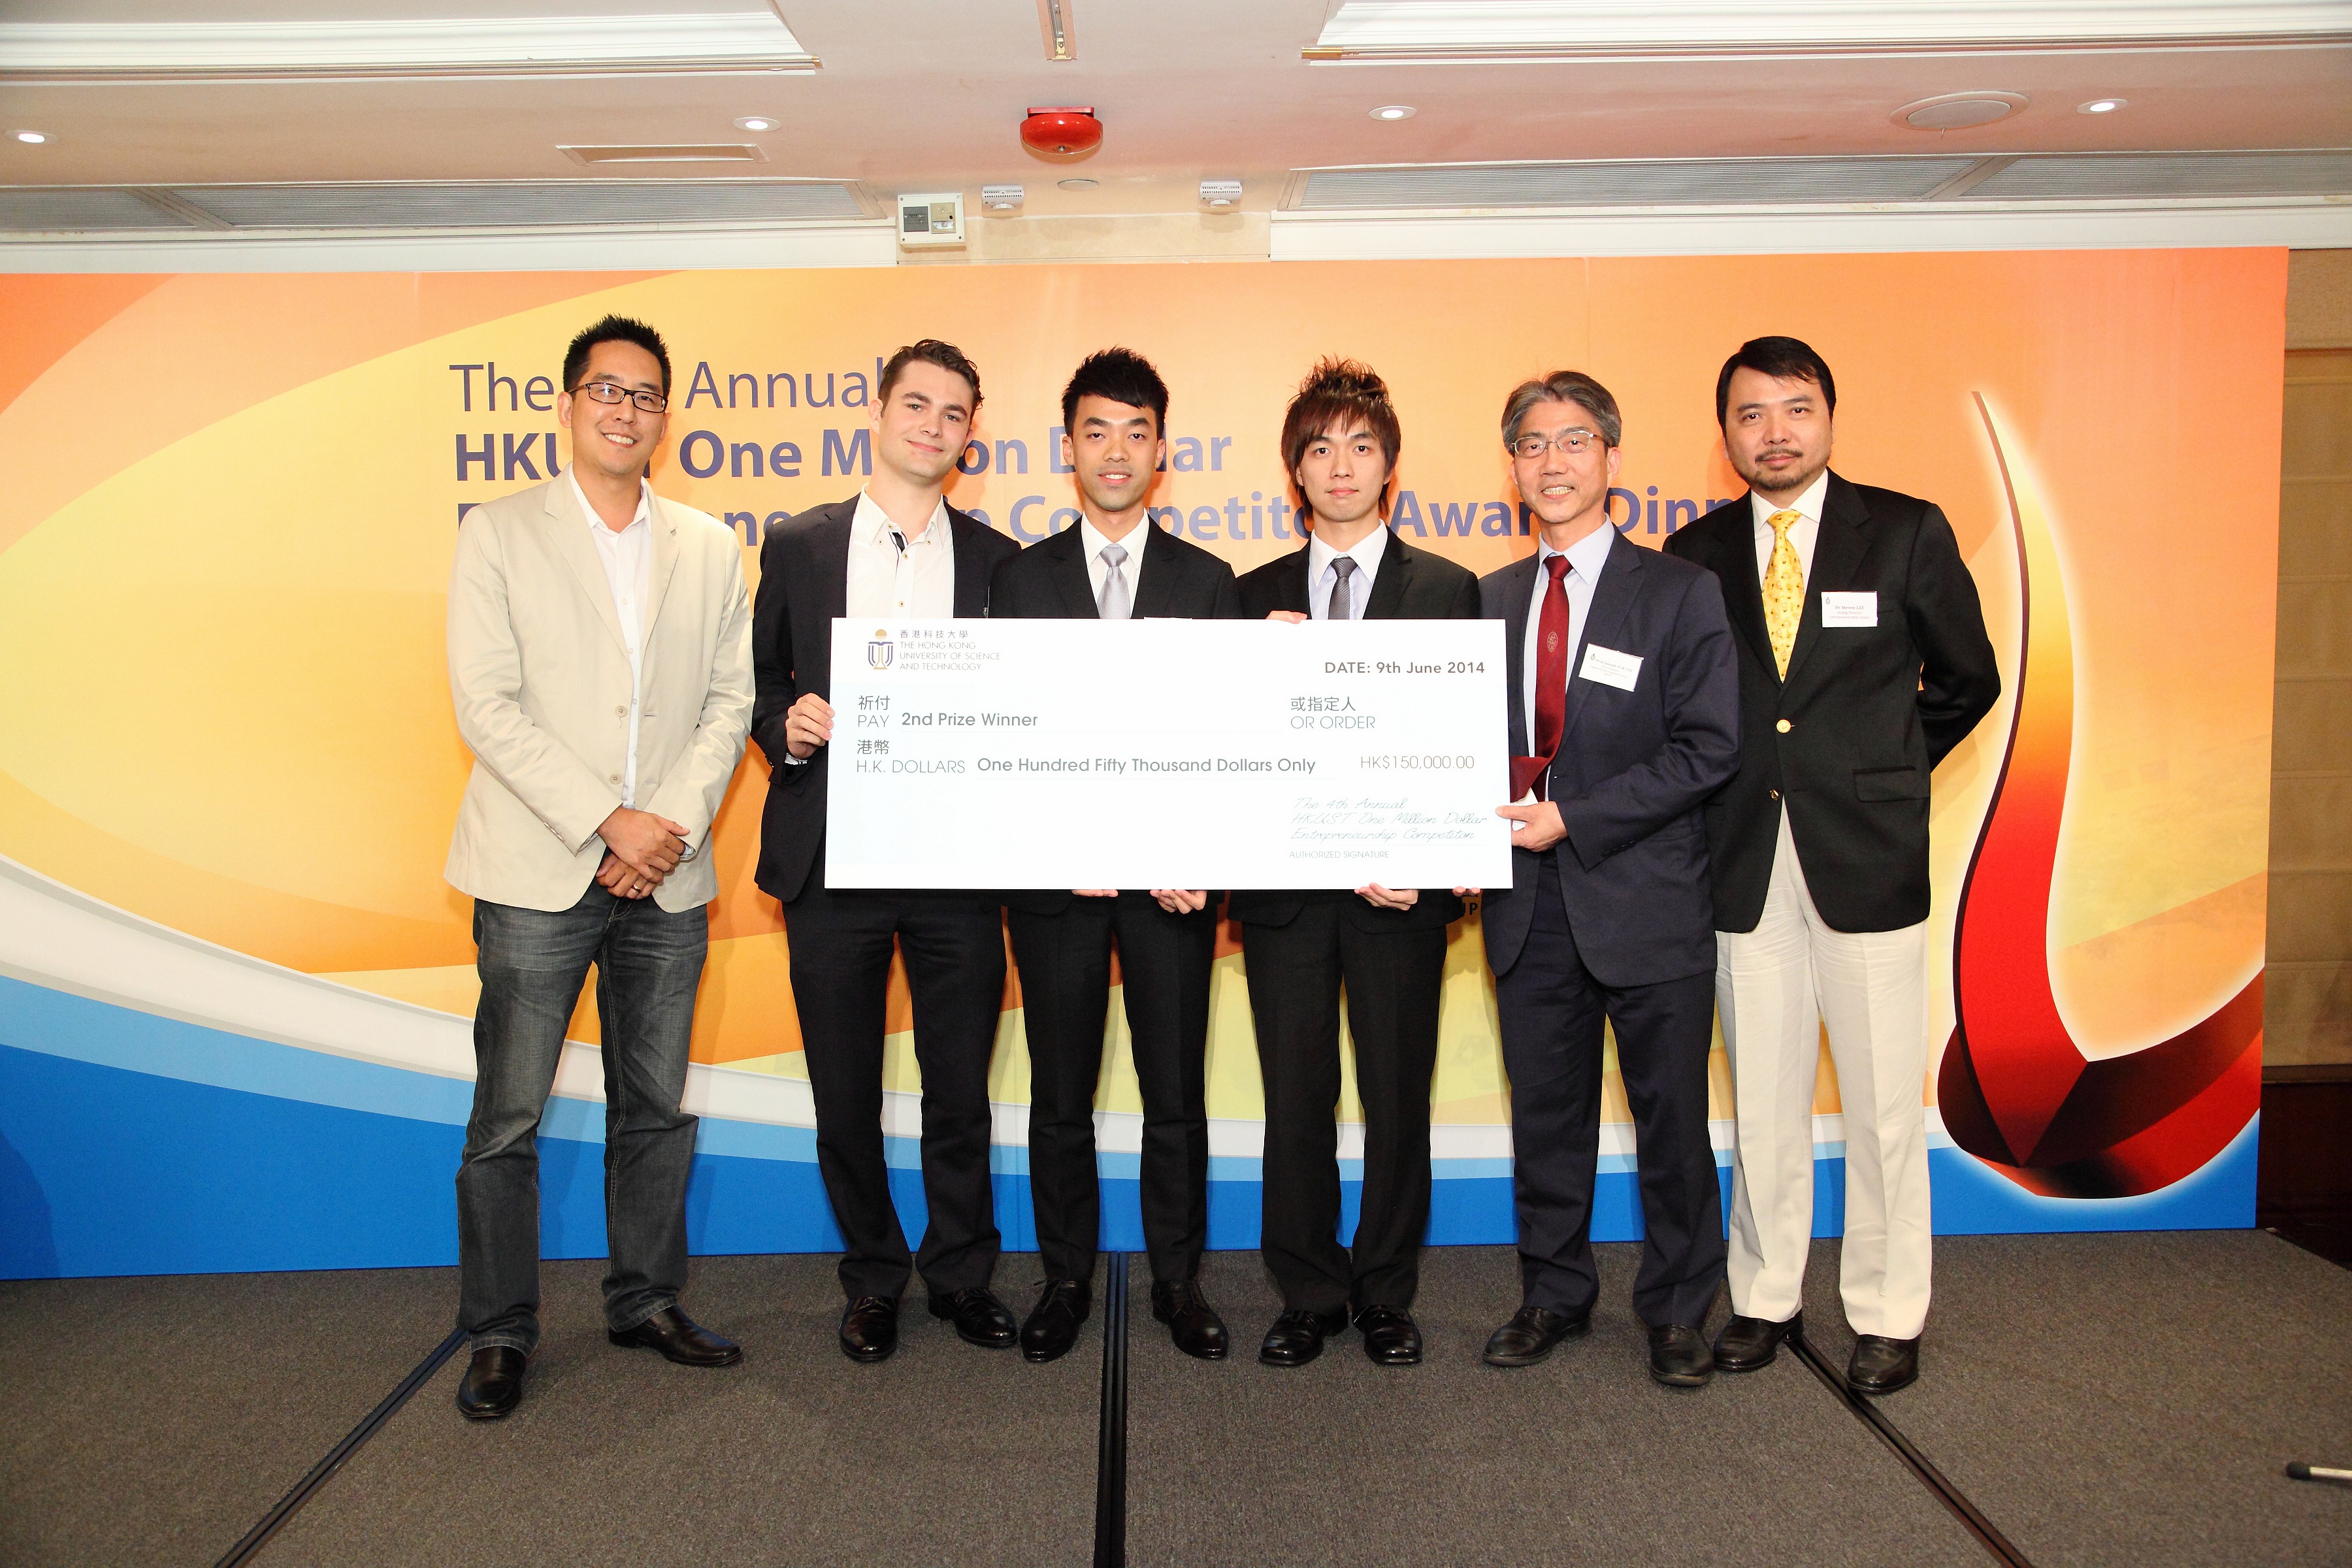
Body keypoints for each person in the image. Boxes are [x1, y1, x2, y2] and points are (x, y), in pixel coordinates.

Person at [1663, 336, 1999, 1395]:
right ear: (1726, 436)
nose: (1775, 432)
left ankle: (1889, 1311)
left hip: (1869, 859)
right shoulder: (1697, 550)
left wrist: (1884, 769)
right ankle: (1765, 1297)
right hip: (1741, 858)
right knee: (1759, 1099)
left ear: (1829, 417)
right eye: (1752, 415)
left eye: (1795, 409)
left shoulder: (1903, 531)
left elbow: (1967, 679)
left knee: (1883, 1105)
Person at [444, 314, 754, 1420]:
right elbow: (486, 705)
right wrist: (606, 821)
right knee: (509, 1117)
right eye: (606, 391)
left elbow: (731, 700)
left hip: (668, 872)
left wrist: (662, 822)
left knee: (654, 1107)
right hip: (539, 869)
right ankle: (498, 1330)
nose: (626, 411)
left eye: (647, 396)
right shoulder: (499, 532)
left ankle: (646, 1301)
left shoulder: (711, 545)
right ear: (568, 404)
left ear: (667, 417)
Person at [750, 339, 1022, 1364]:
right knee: (844, 1094)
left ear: (969, 436)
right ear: (878, 411)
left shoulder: (1000, 561)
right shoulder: (801, 544)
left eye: (954, 414)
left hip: (956, 865)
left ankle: (961, 1275)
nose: (933, 427)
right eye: (917, 405)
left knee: (961, 1090)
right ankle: (872, 1279)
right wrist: (789, 725)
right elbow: (757, 684)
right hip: (831, 861)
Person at [1468, 372, 1740, 1387]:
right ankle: (1553, 1293)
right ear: (1514, 466)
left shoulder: (1677, 592)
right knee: (1546, 1118)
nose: (1554, 462)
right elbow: (1452, 750)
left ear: (1612, 459)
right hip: (1524, 907)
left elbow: (1709, 748)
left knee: (1670, 1122)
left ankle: (1675, 1311)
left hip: (1646, 902)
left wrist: (1575, 817)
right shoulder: (1487, 599)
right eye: (1534, 445)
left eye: (1575, 441)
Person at [990, 348, 1243, 1364]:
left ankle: (1180, 1281)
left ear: (1163, 453)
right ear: (1068, 448)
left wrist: (1206, 853)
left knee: (1174, 1092)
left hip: (1171, 890)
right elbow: (1002, 737)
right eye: (1097, 431)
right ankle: (1064, 1280)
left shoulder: (1207, 580)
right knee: (1062, 1093)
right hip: (1056, 887)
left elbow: (1234, 743)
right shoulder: (1016, 579)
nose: (1117, 450)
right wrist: (1049, 846)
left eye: (1137, 432)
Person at [1232, 359, 1480, 1368]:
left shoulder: (1449, 590)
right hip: (1287, 895)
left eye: (1362, 447)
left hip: (1396, 897)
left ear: (1392, 467)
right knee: (1295, 1100)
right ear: (1295, 470)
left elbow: (1467, 747)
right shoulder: (1250, 600)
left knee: (1394, 1092)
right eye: (1320, 448)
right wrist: (1254, 667)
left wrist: (1440, 856)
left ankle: (1385, 1290)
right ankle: (1306, 1290)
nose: (1341, 466)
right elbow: (1226, 757)